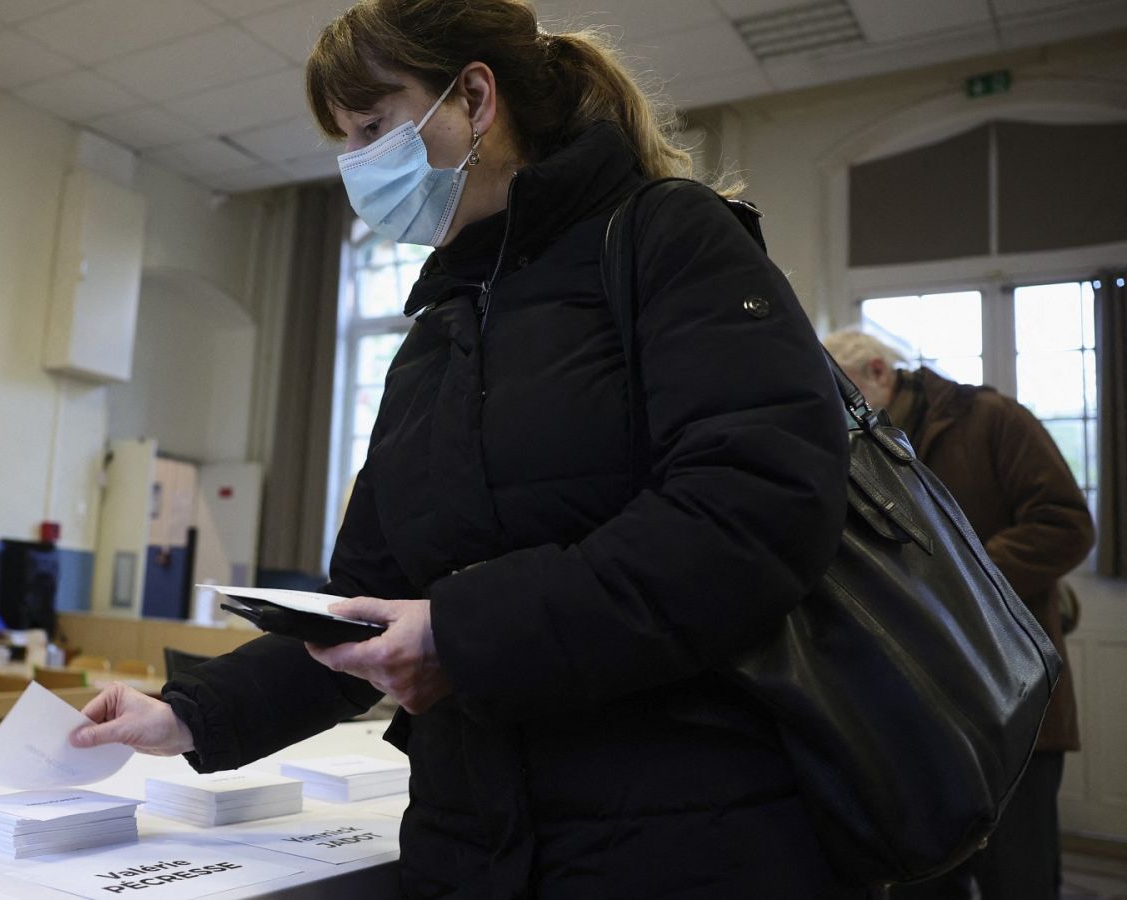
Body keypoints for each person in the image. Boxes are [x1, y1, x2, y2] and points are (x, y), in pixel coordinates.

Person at [73, 2, 861, 895]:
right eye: (345, 139)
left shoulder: (667, 237)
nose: (357, 165)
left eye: (374, 126)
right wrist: (188, 715)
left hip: (682, 832)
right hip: (468, 836)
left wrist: (458, 630)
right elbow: (362, 607)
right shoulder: (440, 327)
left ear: (475, 97)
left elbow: (755, 509)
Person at [825, 329, 1094, 900]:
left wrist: (962, 578)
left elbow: (1067, 525)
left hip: (1017, 699)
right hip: (927, 717)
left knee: (1019, 880)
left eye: (844, 392)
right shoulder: (870, 442)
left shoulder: (993, 418)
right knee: (928, 879)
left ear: (878, 371)